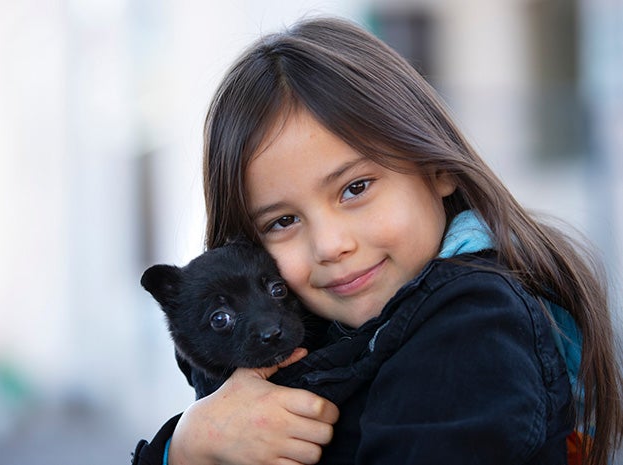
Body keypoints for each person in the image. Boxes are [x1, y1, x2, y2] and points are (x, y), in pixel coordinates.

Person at [132, 16, 623, 465]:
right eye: (282, 221)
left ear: (435, 166)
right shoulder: (315, 330)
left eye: (355, 188)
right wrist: (189, 447)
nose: (330, 244)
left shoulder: (473, 327)